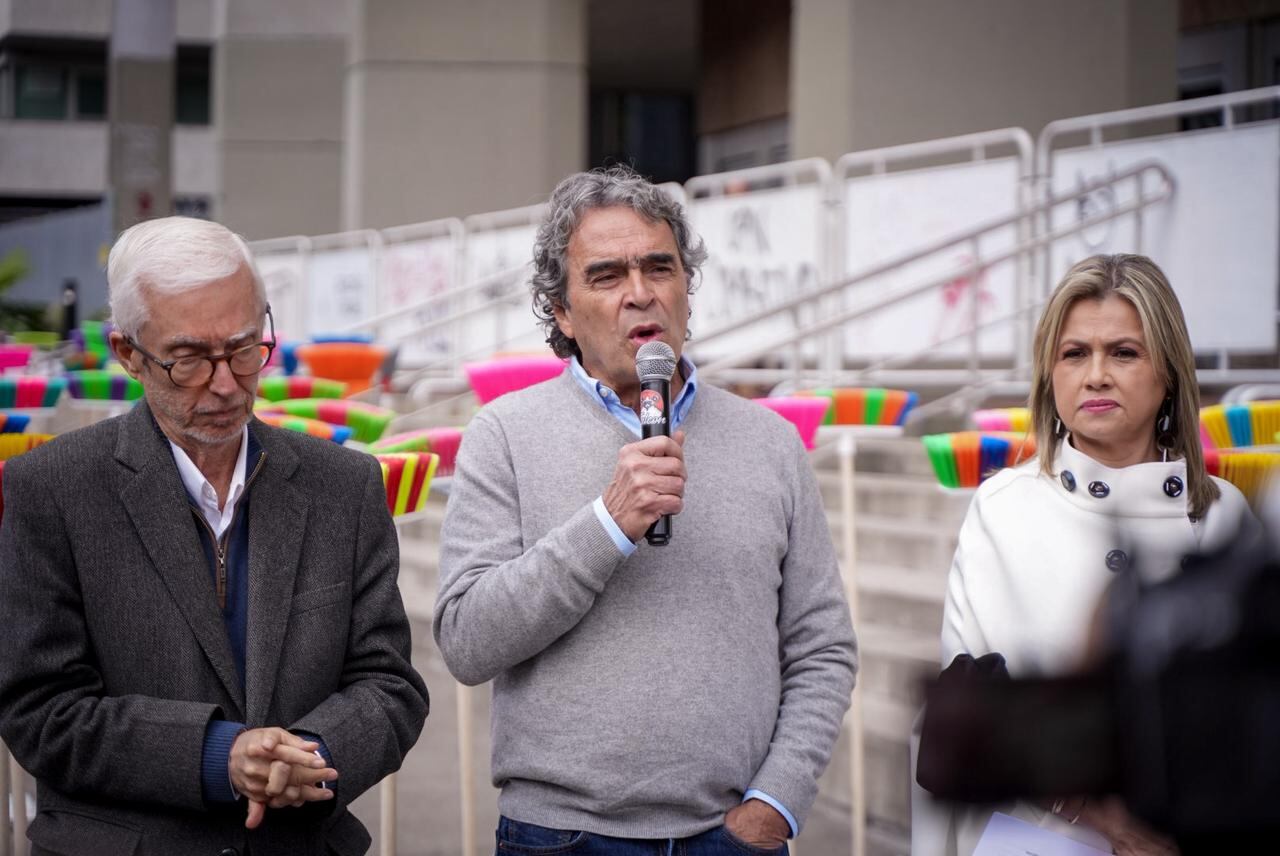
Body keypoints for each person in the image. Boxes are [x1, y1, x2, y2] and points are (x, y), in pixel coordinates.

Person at [434, 166, 857, 855]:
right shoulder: (503, 435)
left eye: (660, 267)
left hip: (733, 836)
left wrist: (775, 805)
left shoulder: (771, 442)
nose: (640, 292)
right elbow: (467, 642)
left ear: (687, 288)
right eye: (606, 276)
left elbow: (822, 645)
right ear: (561, 312)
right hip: (562, 836)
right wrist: (607, 524)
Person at [0, 217, 428, 856]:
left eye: (244, 348)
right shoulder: (54, 488)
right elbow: (41, 709)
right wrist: (218, 756)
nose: (226, 383)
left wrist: (309, 756)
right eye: (190, 360)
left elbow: (390, 684)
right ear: (128, 353)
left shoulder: (345, 485)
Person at [913, 254, 1259, 856]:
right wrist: (1096, 811)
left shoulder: (1227, 517)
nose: (1096, 375)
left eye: (1124, 352)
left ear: (1169, 372)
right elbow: (963, 707)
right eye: (1075, 353)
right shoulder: (1002, 509)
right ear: (1050, 374)